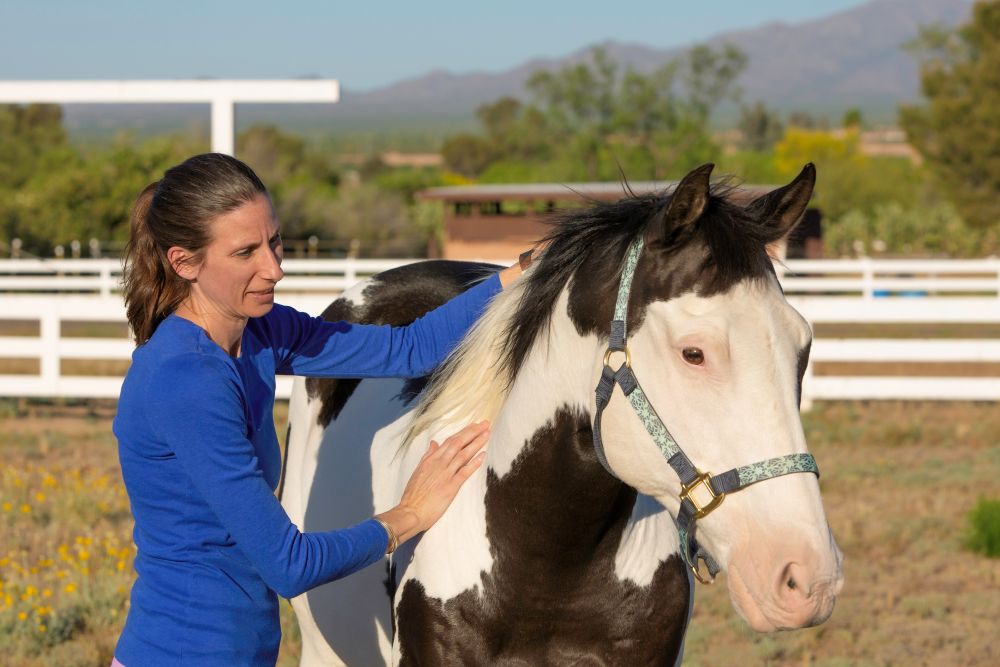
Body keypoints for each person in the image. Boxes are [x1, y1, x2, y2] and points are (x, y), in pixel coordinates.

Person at [111, 153, 530, 666]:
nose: (274, 268)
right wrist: (411, 514)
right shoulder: (184, 381)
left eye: (275, 241)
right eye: (245, 252)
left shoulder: (258, 331)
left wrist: (520, 275)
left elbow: (407, 349)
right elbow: (289, 565)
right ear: (184, 262)